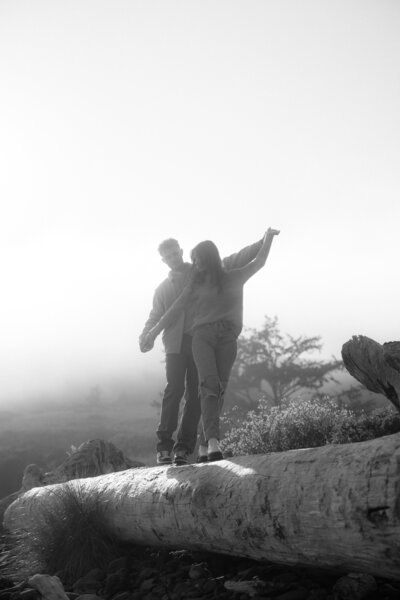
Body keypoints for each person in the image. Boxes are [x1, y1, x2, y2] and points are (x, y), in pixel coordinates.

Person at [143, 228, 280, 462]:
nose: (174, 258)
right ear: (163, 260)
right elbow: (161, 312)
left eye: (176, 253)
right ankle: (165, 446)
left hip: (204, 339)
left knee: (200, 394)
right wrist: (149, 333)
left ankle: (186, 448)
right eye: (168, 257)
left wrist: (264, 239)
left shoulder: (205, 271)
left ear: (181, 252)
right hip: (179, 344)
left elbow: (244, 258)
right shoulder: (164, 289)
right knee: (174, 390)